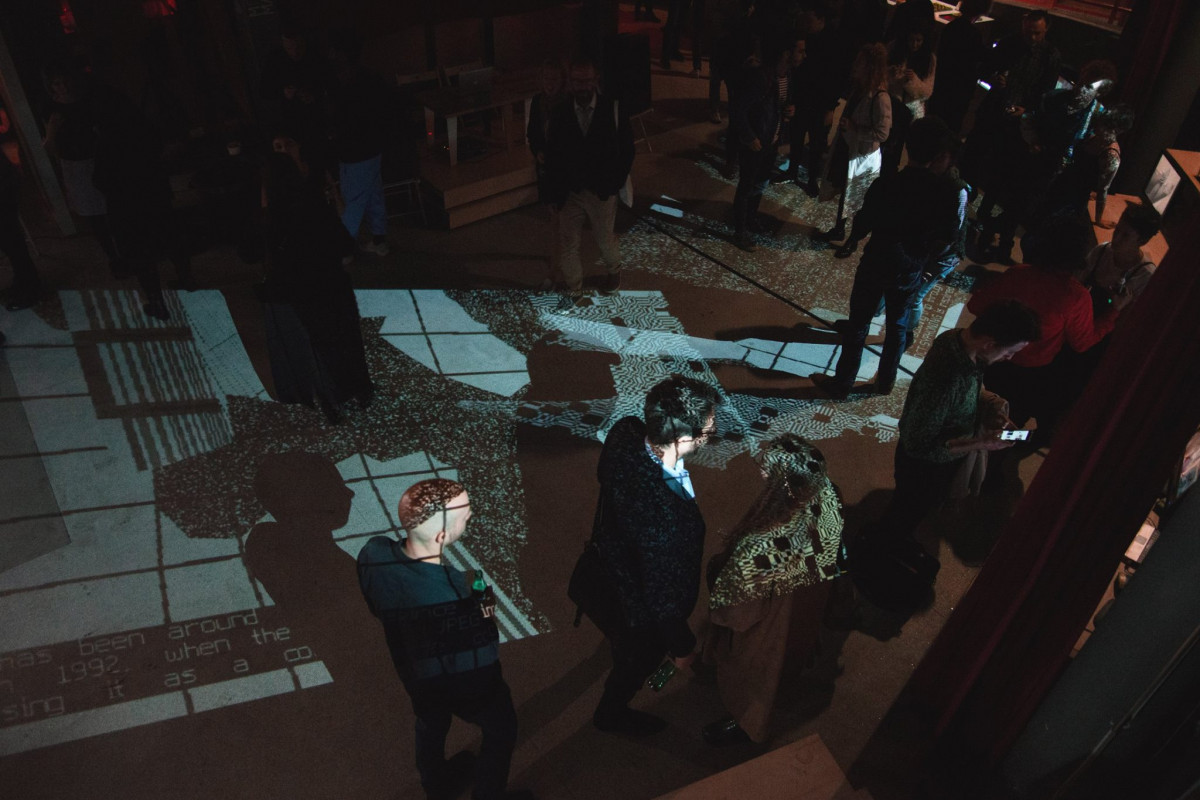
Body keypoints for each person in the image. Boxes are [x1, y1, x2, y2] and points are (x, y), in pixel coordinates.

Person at [358, 479, 534, 800]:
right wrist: (482, 595)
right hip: (469, 686)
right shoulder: (463, 585)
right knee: (502, 730)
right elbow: (486, 642)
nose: (470, 517)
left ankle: (435, 785)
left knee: (430, 724)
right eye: (465, 517)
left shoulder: (373, 553)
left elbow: (376, 604)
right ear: (442, 536)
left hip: (415, 676)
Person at [590, 375, 723, 735]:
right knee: (635, 661)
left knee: (621, 636)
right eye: (707, 431)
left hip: (612, 561)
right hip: (640, 605)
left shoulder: (625, 432)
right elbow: (661, 597)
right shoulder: (666, 516)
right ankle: (611, 712)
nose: (710, 434)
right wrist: (682, 648)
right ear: (683, 439)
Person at [702, 434, 844, 745]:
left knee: (755, 688)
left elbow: (739, 616)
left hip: (769, 634)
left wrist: (718, 607)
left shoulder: (760, 547)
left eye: (768, 471)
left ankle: (743, 725)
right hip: (805, 617)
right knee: (788, 666)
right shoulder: (828, 502)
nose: (762, 474)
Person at [811, 116, 961, 399]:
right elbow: (948, 238)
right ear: (938, 156)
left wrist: (854, 239)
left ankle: (843, 383)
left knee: (858, 325)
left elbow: (864, 221)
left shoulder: (888, 183)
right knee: (897, 326)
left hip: (877, 261)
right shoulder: (945, 193)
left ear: (909, 149)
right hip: (911, 267)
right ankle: (885, 382)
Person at [884, 300, 1041, 543]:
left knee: (911, 507)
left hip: (930, 461)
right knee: (907, 511)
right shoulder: (946, 381)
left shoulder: (956, 339)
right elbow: (919, 446)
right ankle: (887, 545)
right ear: (989, 343)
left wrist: (991, 406)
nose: (1009, 358)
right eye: (1009, 352)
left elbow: (969, 391)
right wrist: (982, 443)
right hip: (923, 469)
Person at [966, 216, 1130, 434]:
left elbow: (976, 305)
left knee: (978, 408)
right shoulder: (1075, 296)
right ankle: (994, 455)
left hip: (995, 361)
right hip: (1033, 374)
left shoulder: (1018, 274)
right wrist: (1114, 312)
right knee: (1010, 422)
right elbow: (1082, 343)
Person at [260, 135, 372, 423]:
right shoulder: (312, 205)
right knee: (345, 337)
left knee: (318, 345)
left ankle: (331, 402)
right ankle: (360, 391)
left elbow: (254, 253)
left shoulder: (274, 217)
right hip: (332, 283)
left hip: (302, 292)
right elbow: (344, 246)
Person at [545, 59, 635, 304]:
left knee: (605, 238)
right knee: (568, 243)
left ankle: (614, 270)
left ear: (596, 81)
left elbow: (627, 150)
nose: (581, 86)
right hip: (570, 191)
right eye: (576, 81)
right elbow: (552, 155)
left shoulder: (613, 109)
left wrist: (614, 182)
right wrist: (552, 194)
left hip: (601, 192)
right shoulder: (561, 112)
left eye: (586, 80)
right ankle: (574, 288)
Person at [730, 33, 804, 252]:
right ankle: (740, 231)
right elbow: (738, 109)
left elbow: (779, 106)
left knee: (759, 183)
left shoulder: (787, 76)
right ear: (786, 54)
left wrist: (790, 110)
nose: (804, 55)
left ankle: (750, 219)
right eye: (800, 50)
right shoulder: (762, 77)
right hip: (757, 142)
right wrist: (749, 136)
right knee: (746, 185)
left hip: (771, 140)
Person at [812, 42, 891, 244]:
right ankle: (839, 230)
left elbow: (882, 134)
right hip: (848, 149)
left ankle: (852, 242)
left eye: (861, 63)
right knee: (846, 194)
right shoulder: (859, 89)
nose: (856, 66)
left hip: (862, 155)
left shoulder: (880, 98)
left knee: (857, 200)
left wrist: (856, 130)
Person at [328, 28, 392, 257]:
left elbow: (342, 120)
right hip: (372, 149)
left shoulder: (343, 84)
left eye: (333, 51)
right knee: (374, 195)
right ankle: (379, 241)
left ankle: (343, 251)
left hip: (354, 152)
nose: (330, 55)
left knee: (353, 203)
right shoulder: (371, 79)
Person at [785, 2, 853, 195]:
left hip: (820, 103)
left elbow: (837, 78)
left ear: (821, 20)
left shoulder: (834, 43)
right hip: (803, 98)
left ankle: (811, 178)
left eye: (810, 20)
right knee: (797, 137)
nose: (806, 23)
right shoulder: (807, 37)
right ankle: (792, 171)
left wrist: (830, 108)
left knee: (816, 143)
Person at [527, 60, 567, 291]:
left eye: (554, 79)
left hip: (562, 170)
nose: (549, 84)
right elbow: (532, 132)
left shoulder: (567, 104)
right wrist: (537, 151)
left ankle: (555, 272)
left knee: (560, 223)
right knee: (554, 220)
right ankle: (555, 266)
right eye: (546, 79)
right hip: (546, 170)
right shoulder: (537, 102)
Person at [880, 24, 936, 177]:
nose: (915, 44)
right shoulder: (893, 49)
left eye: (919, 40)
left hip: (910, 110)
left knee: (896, 148)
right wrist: (892, 74)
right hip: (890, 104)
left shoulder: (929, 59)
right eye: (912, 40)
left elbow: (927, 91)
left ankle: (888, 176)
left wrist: (913, 81)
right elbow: (880, 75)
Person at [926, 0, 988, 135]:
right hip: (960, 90)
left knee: (934, 125)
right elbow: (980, 58)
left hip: (942, 84)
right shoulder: (974, 34)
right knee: (951, 128)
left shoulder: (950, 28)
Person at [0, 148, 40, 311]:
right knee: (13, 243)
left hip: (3, 189)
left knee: (12, 242)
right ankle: (25, 284)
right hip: (5, 185)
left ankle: (28, 288)